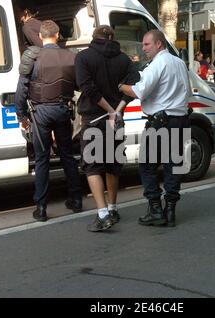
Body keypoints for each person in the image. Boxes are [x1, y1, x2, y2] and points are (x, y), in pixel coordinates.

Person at [119, 30, 191, 228]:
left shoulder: (158, 64)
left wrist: (121, 86)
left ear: (159, 44)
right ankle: (170, 211)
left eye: (146, 45)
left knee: (147, 165)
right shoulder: (179, 63)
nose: (143, 49)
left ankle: (156, 209)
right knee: (173, 166)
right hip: (180, 119)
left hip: (160, 122)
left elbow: (138, 91)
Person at [15, 20, 83, 222]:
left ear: (41, 35)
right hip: (63, 110)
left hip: (40, 114)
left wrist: (22, 116)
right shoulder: (71, 57)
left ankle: (42, 207)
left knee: (42, 159)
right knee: (67, 156)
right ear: (58, 34)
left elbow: (22, 90)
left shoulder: (32, 57)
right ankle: (76, 200)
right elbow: (79, 85)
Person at [75, 25, 139, 232]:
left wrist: (109, 110)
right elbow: (134, 86)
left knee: (92, 166)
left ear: (94, 38)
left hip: (94, 119)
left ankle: (102, 214)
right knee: (113, 164)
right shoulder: (124, 59)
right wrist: (117, 110)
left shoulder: (83, 58)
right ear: (112, 38)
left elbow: (87, 88)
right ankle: (113, 208)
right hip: (116, 120)